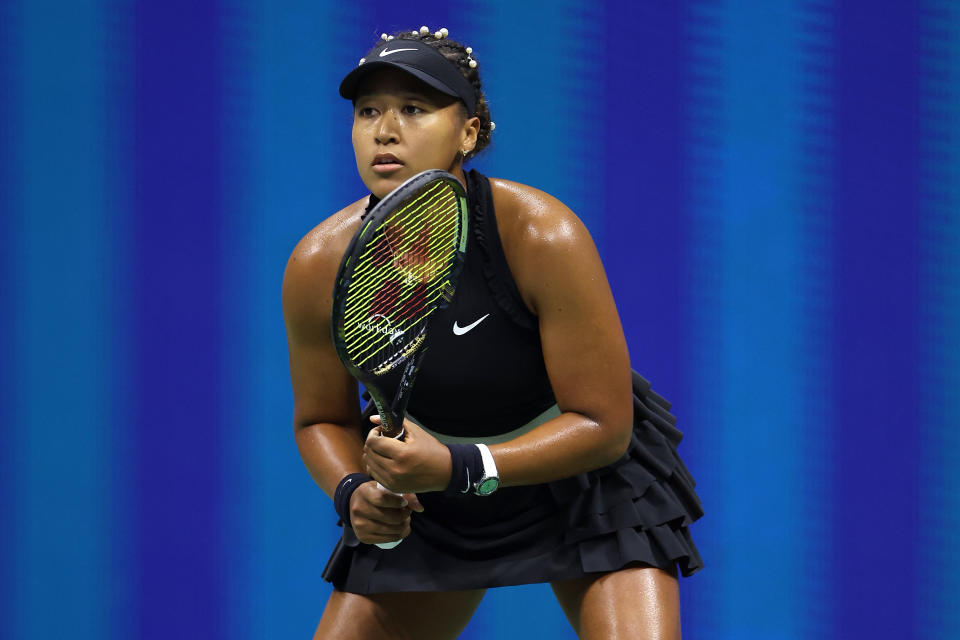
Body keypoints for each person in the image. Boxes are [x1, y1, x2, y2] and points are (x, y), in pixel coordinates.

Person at [282, 26, 704, 640]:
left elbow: (604, 426)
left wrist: (459, 465)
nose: (385, 129)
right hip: (429, 496)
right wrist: (351, 492)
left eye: (414, 109)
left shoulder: (542, 236)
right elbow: (320, 419)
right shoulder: (319, 264)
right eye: (368, 110)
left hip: (580, 481)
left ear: (470, 131)